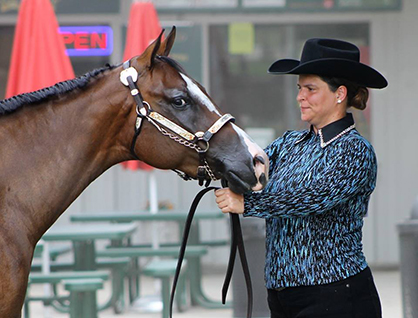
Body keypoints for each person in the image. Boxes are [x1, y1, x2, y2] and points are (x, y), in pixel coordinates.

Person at [215, 38, 387, 318]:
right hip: (281, 296)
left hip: (336, 294)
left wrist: (247, 204)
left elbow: (312, 198)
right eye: (299, 89)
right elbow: (248, 165)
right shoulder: (290, 144)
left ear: (339, 94)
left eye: (310, 89)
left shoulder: (355, 151)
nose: (300, 96)